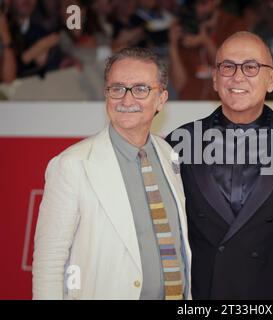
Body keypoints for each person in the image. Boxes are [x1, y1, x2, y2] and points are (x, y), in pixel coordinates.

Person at [32, 47, 191, 300]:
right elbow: (49, 263)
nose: (126, 101)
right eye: (117, 89)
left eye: (140, 89)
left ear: (161, 99)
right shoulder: (72, 165)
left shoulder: (168, 154)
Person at [166, 31, 273, 299]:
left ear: (272, 79)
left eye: (251, 67)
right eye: (228, 66)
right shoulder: (177, 143)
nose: (238, 76)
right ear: (215, 78)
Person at [169, 0, 246, 100]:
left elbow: (234, 67)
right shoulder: (186, 26)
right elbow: (178, 85)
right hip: (190, 104)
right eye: (194, 5)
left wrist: (205, 41)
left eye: (203, 3)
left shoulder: (233, 25)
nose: (198, 9)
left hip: (224, 104)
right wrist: (172, 44)